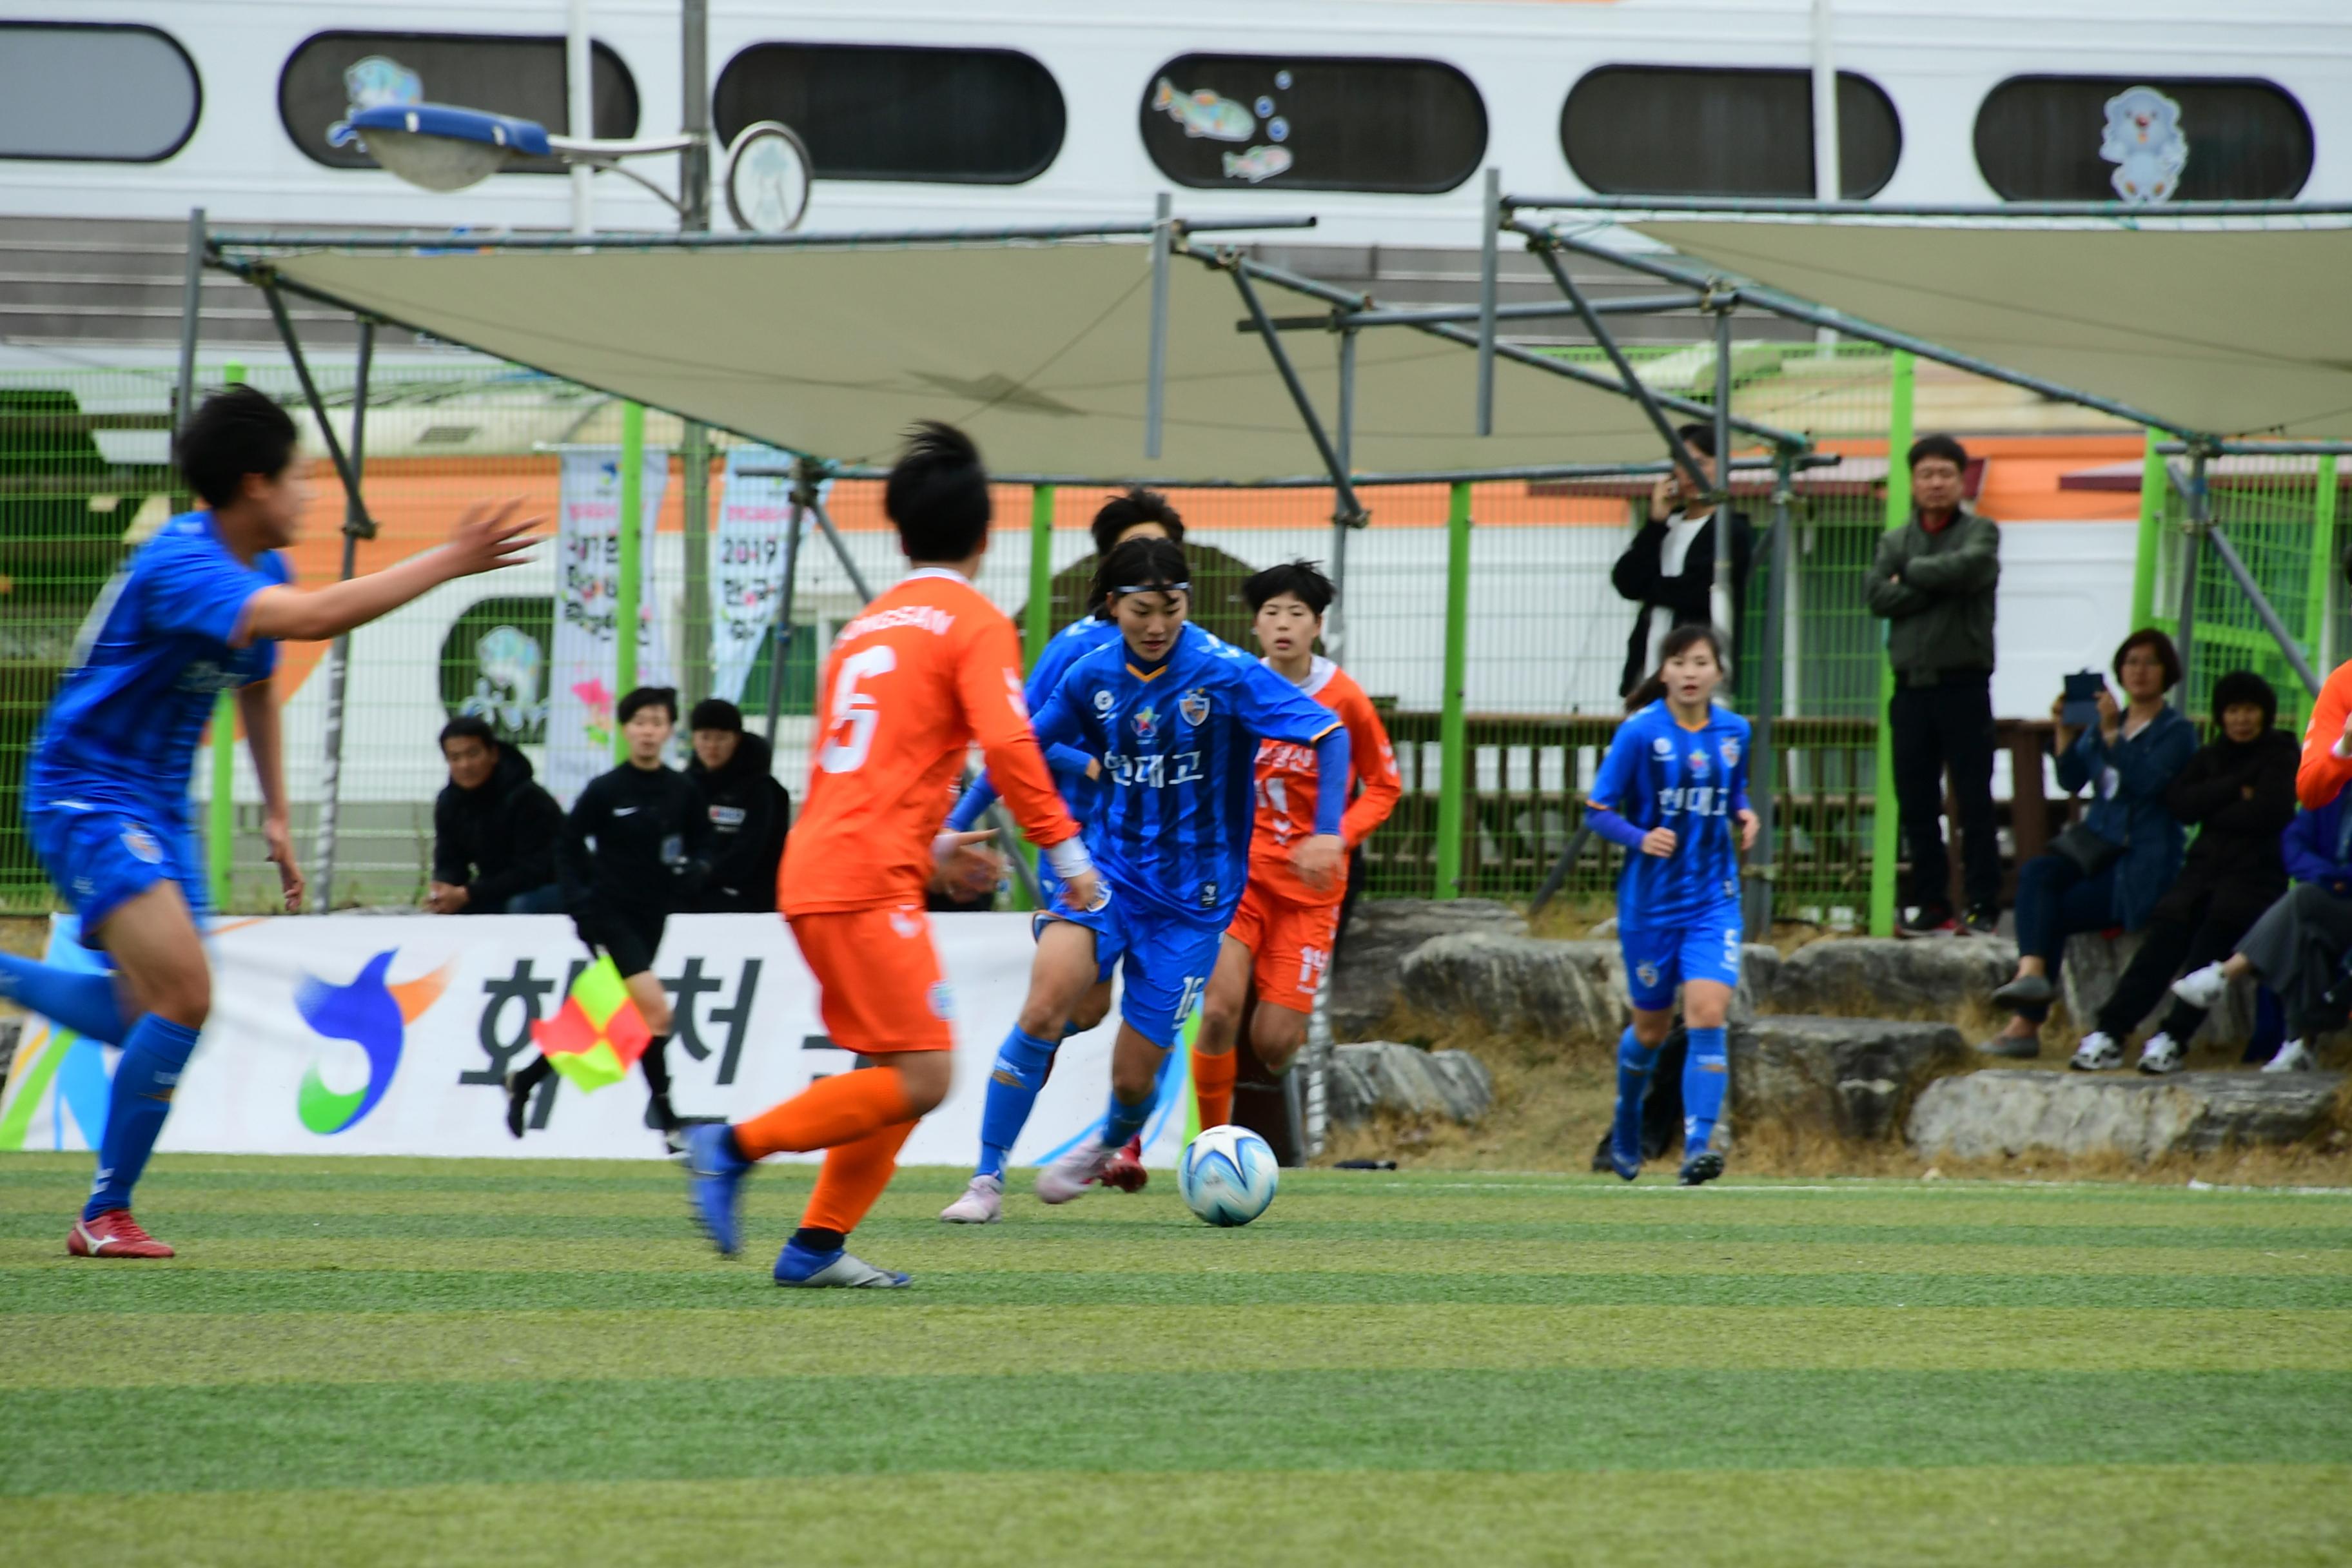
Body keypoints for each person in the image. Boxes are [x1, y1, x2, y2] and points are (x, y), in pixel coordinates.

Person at [0, 384, 536, 1258]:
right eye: (300, 478)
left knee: (153, 1012)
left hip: (154, 806)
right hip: (86, 790)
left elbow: (255, 679)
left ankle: (16, 995)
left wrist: (278, 813)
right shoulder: (183, 563)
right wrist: (447, 558)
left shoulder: (260, 565)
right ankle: (103, 1215)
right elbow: (318, 619)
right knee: (185, 996)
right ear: (255, 484)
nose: (311, 495)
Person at [678, 422, 1097, 1287]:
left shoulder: (863, 629)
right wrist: (1066, 855)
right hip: (865, 880)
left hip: (824, 864)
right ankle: (729, 1147)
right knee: (928, 1073)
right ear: (988, 535)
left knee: (897, 1065)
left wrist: (933, 844)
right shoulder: (973, 622)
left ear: (897, 534)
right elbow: (1012, 746)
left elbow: (867, 765)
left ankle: (816, 1248)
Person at [939, 536, 1353, 1222]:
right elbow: (1021, 748)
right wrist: (954, 824)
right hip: (1107, 879)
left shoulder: (1227, 673)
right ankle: (986, 1178)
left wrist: (1330, 828)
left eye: (1172, 607)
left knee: (1134, 1077)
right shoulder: (1091, 675)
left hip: (1193, 906)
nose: (1158, 624)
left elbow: (1331, 733)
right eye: (1142, 610)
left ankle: (1107, 1137)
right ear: (1114, 606)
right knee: (1045, 1005)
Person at [937, 487, 1185, 1200]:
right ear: (1109, 571)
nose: (1150, 573)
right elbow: (1025, 747)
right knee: (1073, 1007)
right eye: (1133, 552)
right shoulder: (1074, 652)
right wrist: (1090, 764)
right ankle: (993, 1162)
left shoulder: (1197, 660)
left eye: (1163, 554)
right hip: (1082, 856)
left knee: (1142, 1008)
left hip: (1168, 870)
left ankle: (1125, 1143)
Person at [1191, 560, 1399, 1131]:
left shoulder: (1345, 699)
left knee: (1275, 1043)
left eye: (1297, 613)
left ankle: (1280, 1040)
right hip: (1242, 880)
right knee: (1217, 1013)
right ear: (1255, 625)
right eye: (1271, 612)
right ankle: (1211, 1144)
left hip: (1310, 894)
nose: (1283, 624)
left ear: (1317, 625)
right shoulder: (1236, 690)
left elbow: (1386, 785)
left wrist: (1336, 835)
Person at [1586, 624, 1758, 1188]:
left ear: (1718, 672)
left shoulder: (1735, 731)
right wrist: (1640, 837)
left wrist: (1745, 813)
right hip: (1651, 907)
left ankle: (1698, 1150)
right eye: (1679, 662)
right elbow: (1597, 809)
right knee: (1653, 1030)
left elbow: (1732, 792)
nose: (1690, 672)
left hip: (1714, 901)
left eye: (1701, 662)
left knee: (1708, 1013)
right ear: (1664, 671)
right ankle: (1627, 1118)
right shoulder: (1640, 734)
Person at [504, 687, 711, 1140]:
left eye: (657, 723)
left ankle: (527, 1079)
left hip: (652, 918)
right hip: (606, 915)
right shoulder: (606, 790)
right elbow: (566, 844)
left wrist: (697, 870)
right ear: (625, 729)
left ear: (670, 730)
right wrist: (580, 904)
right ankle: (670, 1121)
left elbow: (702, 843)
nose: (648, 732)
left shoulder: (682, 790)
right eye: (640, 722)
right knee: (656, 1013)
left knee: (614, 1014)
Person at [2068, 670, 2296, 1073]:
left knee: (2211, 939)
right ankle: (2111, 1031)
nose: (2241, 720)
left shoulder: (2281, 754)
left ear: (2265, 714)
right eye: (2232, 711)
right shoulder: (2210, 755)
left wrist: (2215, 805)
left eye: (2249, 710)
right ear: (2220, 716)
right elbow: (2180, 803)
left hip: (2254, 878)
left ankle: (2173, 1037)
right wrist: (2235, 789)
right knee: (2163, 940)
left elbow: (2270, 812)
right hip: (2202, 873)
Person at [1984, 629, 2195, 1057]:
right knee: (2038, 872)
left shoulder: (2177, 731)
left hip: (2140, 865)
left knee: (2053, 913)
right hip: (2097, 848)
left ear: (2167, 672)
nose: (2139, 671)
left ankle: (2025, 1025)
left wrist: (2115, 735)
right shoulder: (2104, 725)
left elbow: (2150, 784)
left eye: (2150, 662)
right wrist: (2064, 733)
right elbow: (2072, 779)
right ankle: (2032, 973)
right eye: (2131, 662)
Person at [1868, 433, 2003, 937]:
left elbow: (1972, 568)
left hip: (1964, 686)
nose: (1936, 483)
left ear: (1961, 479)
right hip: (1909, 690)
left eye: (1945, 474)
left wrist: (1913, 577)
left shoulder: (1981, 532)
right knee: (1917, 802)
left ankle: (1984, 903)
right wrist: (1932, 585)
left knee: (1974, 800)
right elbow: (1877, 595)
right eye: (1926, 474)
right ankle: (1932, 904)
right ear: (1914, 481)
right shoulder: (1894, 541)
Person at [1611, 423, 1752, 698]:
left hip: (1698, 677)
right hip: (1648, 671)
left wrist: (1648, 588)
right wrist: (1655, 522)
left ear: (1721, 467)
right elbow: (1626, 582)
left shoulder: (1731, 530)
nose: (1690, 473)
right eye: (1682, 463)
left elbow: (1697, 592)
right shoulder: (1666, 526)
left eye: (1700, 462)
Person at [426, 715, 565, 915]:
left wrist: (469, 893)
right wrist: (444, 890)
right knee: (449, 910)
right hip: (500, 888)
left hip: (556, 885)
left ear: (493, 754)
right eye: (455, 758)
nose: (465, 765)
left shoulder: (528, 798)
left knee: (521, 906)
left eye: (473, 754)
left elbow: (534, 870)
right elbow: (450, 860)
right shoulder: (449, 802)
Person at [682, 698, 789, 914]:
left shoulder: (761, 789)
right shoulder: (684, 784)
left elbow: (750, 850)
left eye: (721, 738)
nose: (712, 746)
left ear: (736, 739)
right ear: (693, 739)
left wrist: (709, 873)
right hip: (692, 889)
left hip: (748, 898)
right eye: (705, 737)